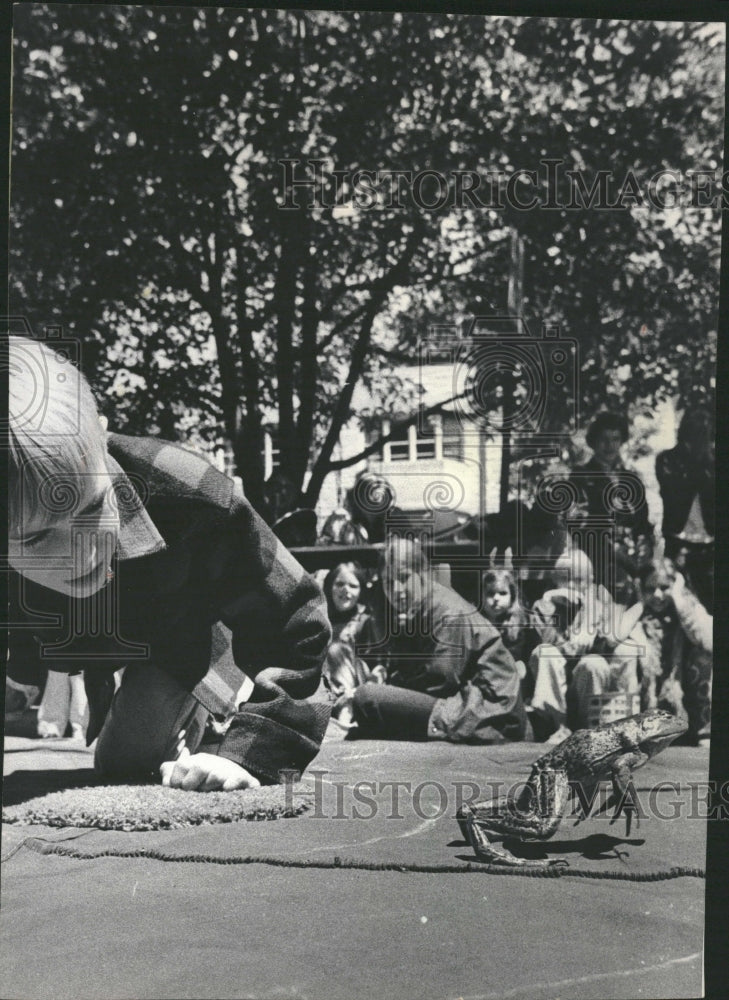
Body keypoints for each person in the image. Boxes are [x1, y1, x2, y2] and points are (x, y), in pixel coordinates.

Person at [7, 335, 332, 790]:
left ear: (101, 438)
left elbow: (296, 619)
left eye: (92, 506)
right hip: (81, 634)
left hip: (181, 631)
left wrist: (255, 750)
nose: (81, 550)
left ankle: (219, 708)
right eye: (40, 537)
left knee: (126, 765)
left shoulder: (192, 497)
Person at [348, 536, 529, 743]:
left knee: (367, 699)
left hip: (492, 714)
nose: (396, 590)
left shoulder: (446, 611)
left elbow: (440, 681)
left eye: (404, 577)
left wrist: (391, 692)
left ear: (424, 574)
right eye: (388, 581)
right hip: (470, 705)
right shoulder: (423, 607)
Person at [528, 548, 643, 737]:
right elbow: (547, 639)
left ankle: (588, 730)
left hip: (586, 686)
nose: (573, 585)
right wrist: (549, 600)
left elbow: (603, 644)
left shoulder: (598, 607)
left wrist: (588, 625)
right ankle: (559, 727)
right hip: (557, 688)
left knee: (593, 663)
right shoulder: (544, 606)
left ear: (590, 581)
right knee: (544, 652)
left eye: (580, 580)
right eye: (567, 578)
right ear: (556, 579)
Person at [568, 412, 653, 602]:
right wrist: (612, 550)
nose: (610, 445)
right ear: (593, 442)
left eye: (615, 439)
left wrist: (644, 545)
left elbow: (642, 521)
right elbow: (578, 523)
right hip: (598, 556)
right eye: (603, 440)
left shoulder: (631, 478)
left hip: (633, 557)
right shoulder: (581, 476)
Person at [655, 406, 714, 612]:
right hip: (678, 540)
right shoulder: (667, 460)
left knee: (709, 603)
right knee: (676, 601)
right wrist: (697, 458)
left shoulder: (712, 462)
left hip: (710, 543)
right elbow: (676, 493)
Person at [320, 562, 377, 724]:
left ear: (360, 592)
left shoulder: (364, 622)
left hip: (352, 691)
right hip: (324, 688)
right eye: (339, 584)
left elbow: (371, 666)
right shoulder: (321, 619)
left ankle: (346, 711)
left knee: (338, 649)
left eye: (353, 586)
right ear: (330, 586)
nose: (346, 590)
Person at [480, 567, 534, 686]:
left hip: (509, 675)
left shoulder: (520, 624)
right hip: (483, 673)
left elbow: (524, 657)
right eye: (490, 593)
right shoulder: (475, 622)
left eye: (502, 593)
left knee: (520, 667)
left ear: (512, 597)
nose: (496, 598)